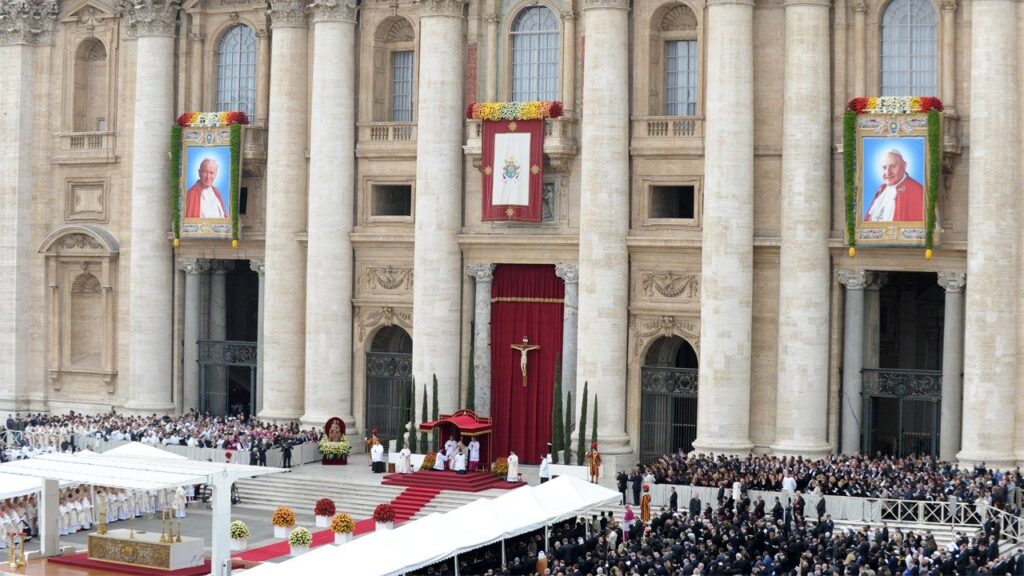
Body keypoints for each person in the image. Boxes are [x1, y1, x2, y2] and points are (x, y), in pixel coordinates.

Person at [864, 149, 924, 222]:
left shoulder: (918, 191)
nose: (887, 172)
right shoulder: (882, 188)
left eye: (893, 166)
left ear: (904, 166)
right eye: (884, 167)